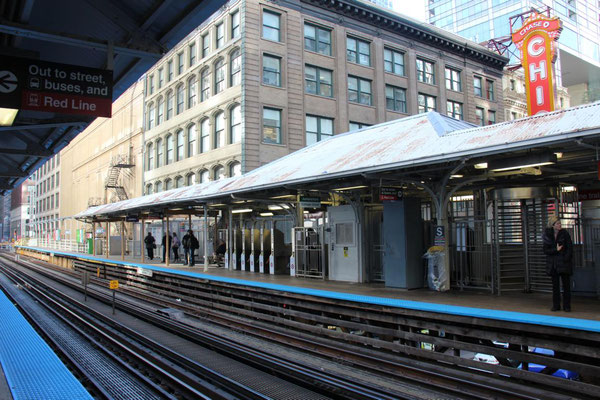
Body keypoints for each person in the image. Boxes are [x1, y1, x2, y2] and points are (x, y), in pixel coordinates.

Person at [542, 216, 573, 312]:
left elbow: (570, 248)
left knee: (566, 286)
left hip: (564, 263)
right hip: (553, 264)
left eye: (560, 223)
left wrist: (565, 259)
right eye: (558, 223)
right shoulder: (547, 235)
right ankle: (556, 305)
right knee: (555, 287)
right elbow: (546, 250)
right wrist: (556, 250)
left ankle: (567, 306)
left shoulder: (565, 234)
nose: (560, 225)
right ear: (553, 225)